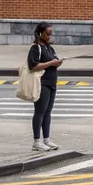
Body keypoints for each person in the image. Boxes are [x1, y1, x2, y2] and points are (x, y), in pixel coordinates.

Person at [27, 22, 63, 152]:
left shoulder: (49, 47)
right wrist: (51, 63)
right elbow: (33, 66)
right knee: (40, 112)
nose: (49, 36)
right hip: (42, 83)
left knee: (48, 112)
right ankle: (37, 141)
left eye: (51, 34)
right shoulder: (36, 48)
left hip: (52, 83)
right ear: (40, 33)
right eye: (47, 34)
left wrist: (57, 63)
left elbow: (54, 60)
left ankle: (46, 139)